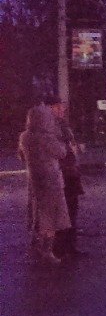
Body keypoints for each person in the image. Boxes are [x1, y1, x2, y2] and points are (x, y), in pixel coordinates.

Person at [17, 103, 72, 265]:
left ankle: (38, 245)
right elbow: (61, 153)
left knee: (38, 214)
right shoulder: (46, 137)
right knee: (51, 217)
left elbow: (20, 156)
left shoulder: (24, 137)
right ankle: (47, 251)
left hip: (34, 180)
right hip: (51, 179)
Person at [45, 96, 83, 257]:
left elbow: (69, 145)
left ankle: (70, 247)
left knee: (72, 209)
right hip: (59, 174)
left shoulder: (63, 125)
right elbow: (56, 150)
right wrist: (69, 149)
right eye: (57, 107)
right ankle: (59, 248)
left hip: (71, 173)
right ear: (48, 108)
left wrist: (75, 148)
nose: (62, 110)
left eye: (62, 107)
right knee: (61, 212)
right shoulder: (47, 127)